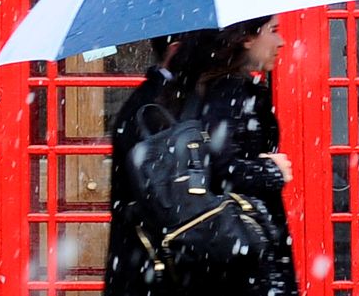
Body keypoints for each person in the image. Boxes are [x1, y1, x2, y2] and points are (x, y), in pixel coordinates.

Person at [167, 15, 299, 296]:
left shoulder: (204, 87)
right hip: (242, 247)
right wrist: (271, 171)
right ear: (247, 38)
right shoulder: (231, 91)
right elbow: (220, 167)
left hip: (225, 246)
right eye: (273, 31)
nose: (281, 41)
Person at [103, 35, 182, 296]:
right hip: (148, 261)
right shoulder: (151, 107)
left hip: (149, 260)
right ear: (175, 50)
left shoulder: (161, 98)